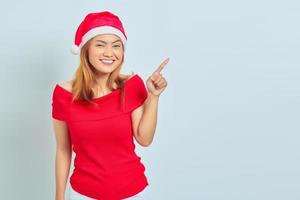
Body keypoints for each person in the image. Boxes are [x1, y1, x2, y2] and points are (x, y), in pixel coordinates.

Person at [51, 11, 169, 200]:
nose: (109, 53)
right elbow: (63, 149)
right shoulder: (63, 95)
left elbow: (144, 139)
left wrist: (153, 97)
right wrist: (59, 196)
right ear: (85, 50)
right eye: (100, 45)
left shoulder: (131, 86)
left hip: (133, 193)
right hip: (84, 194)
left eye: (116, 46)